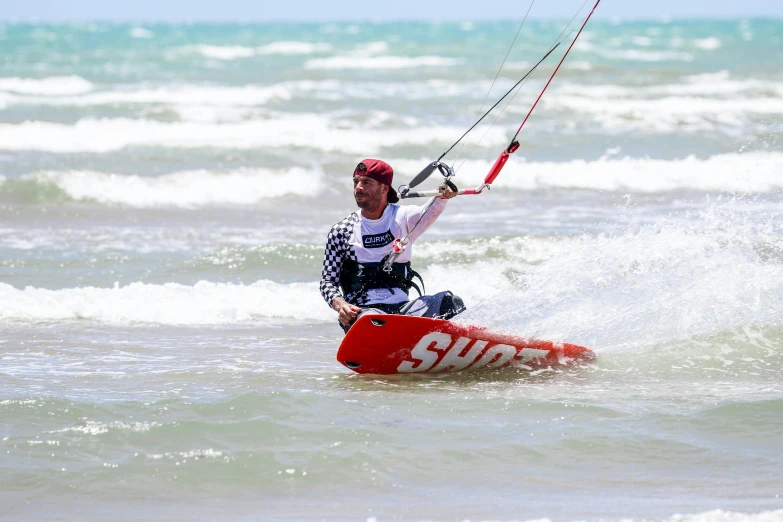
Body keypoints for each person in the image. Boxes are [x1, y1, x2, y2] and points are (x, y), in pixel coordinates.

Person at [320, 159, 466, 332]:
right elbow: (327, 281)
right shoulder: (341, 231)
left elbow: (429, 211)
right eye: (356, 182)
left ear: (384, 188)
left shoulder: (402, 218)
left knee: (449, 303)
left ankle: (464, 349)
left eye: (366, 182)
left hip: (403, 311)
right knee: (370, 320)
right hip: (363, 313)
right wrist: (340, 305)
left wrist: (442, 195)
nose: (358, 187)